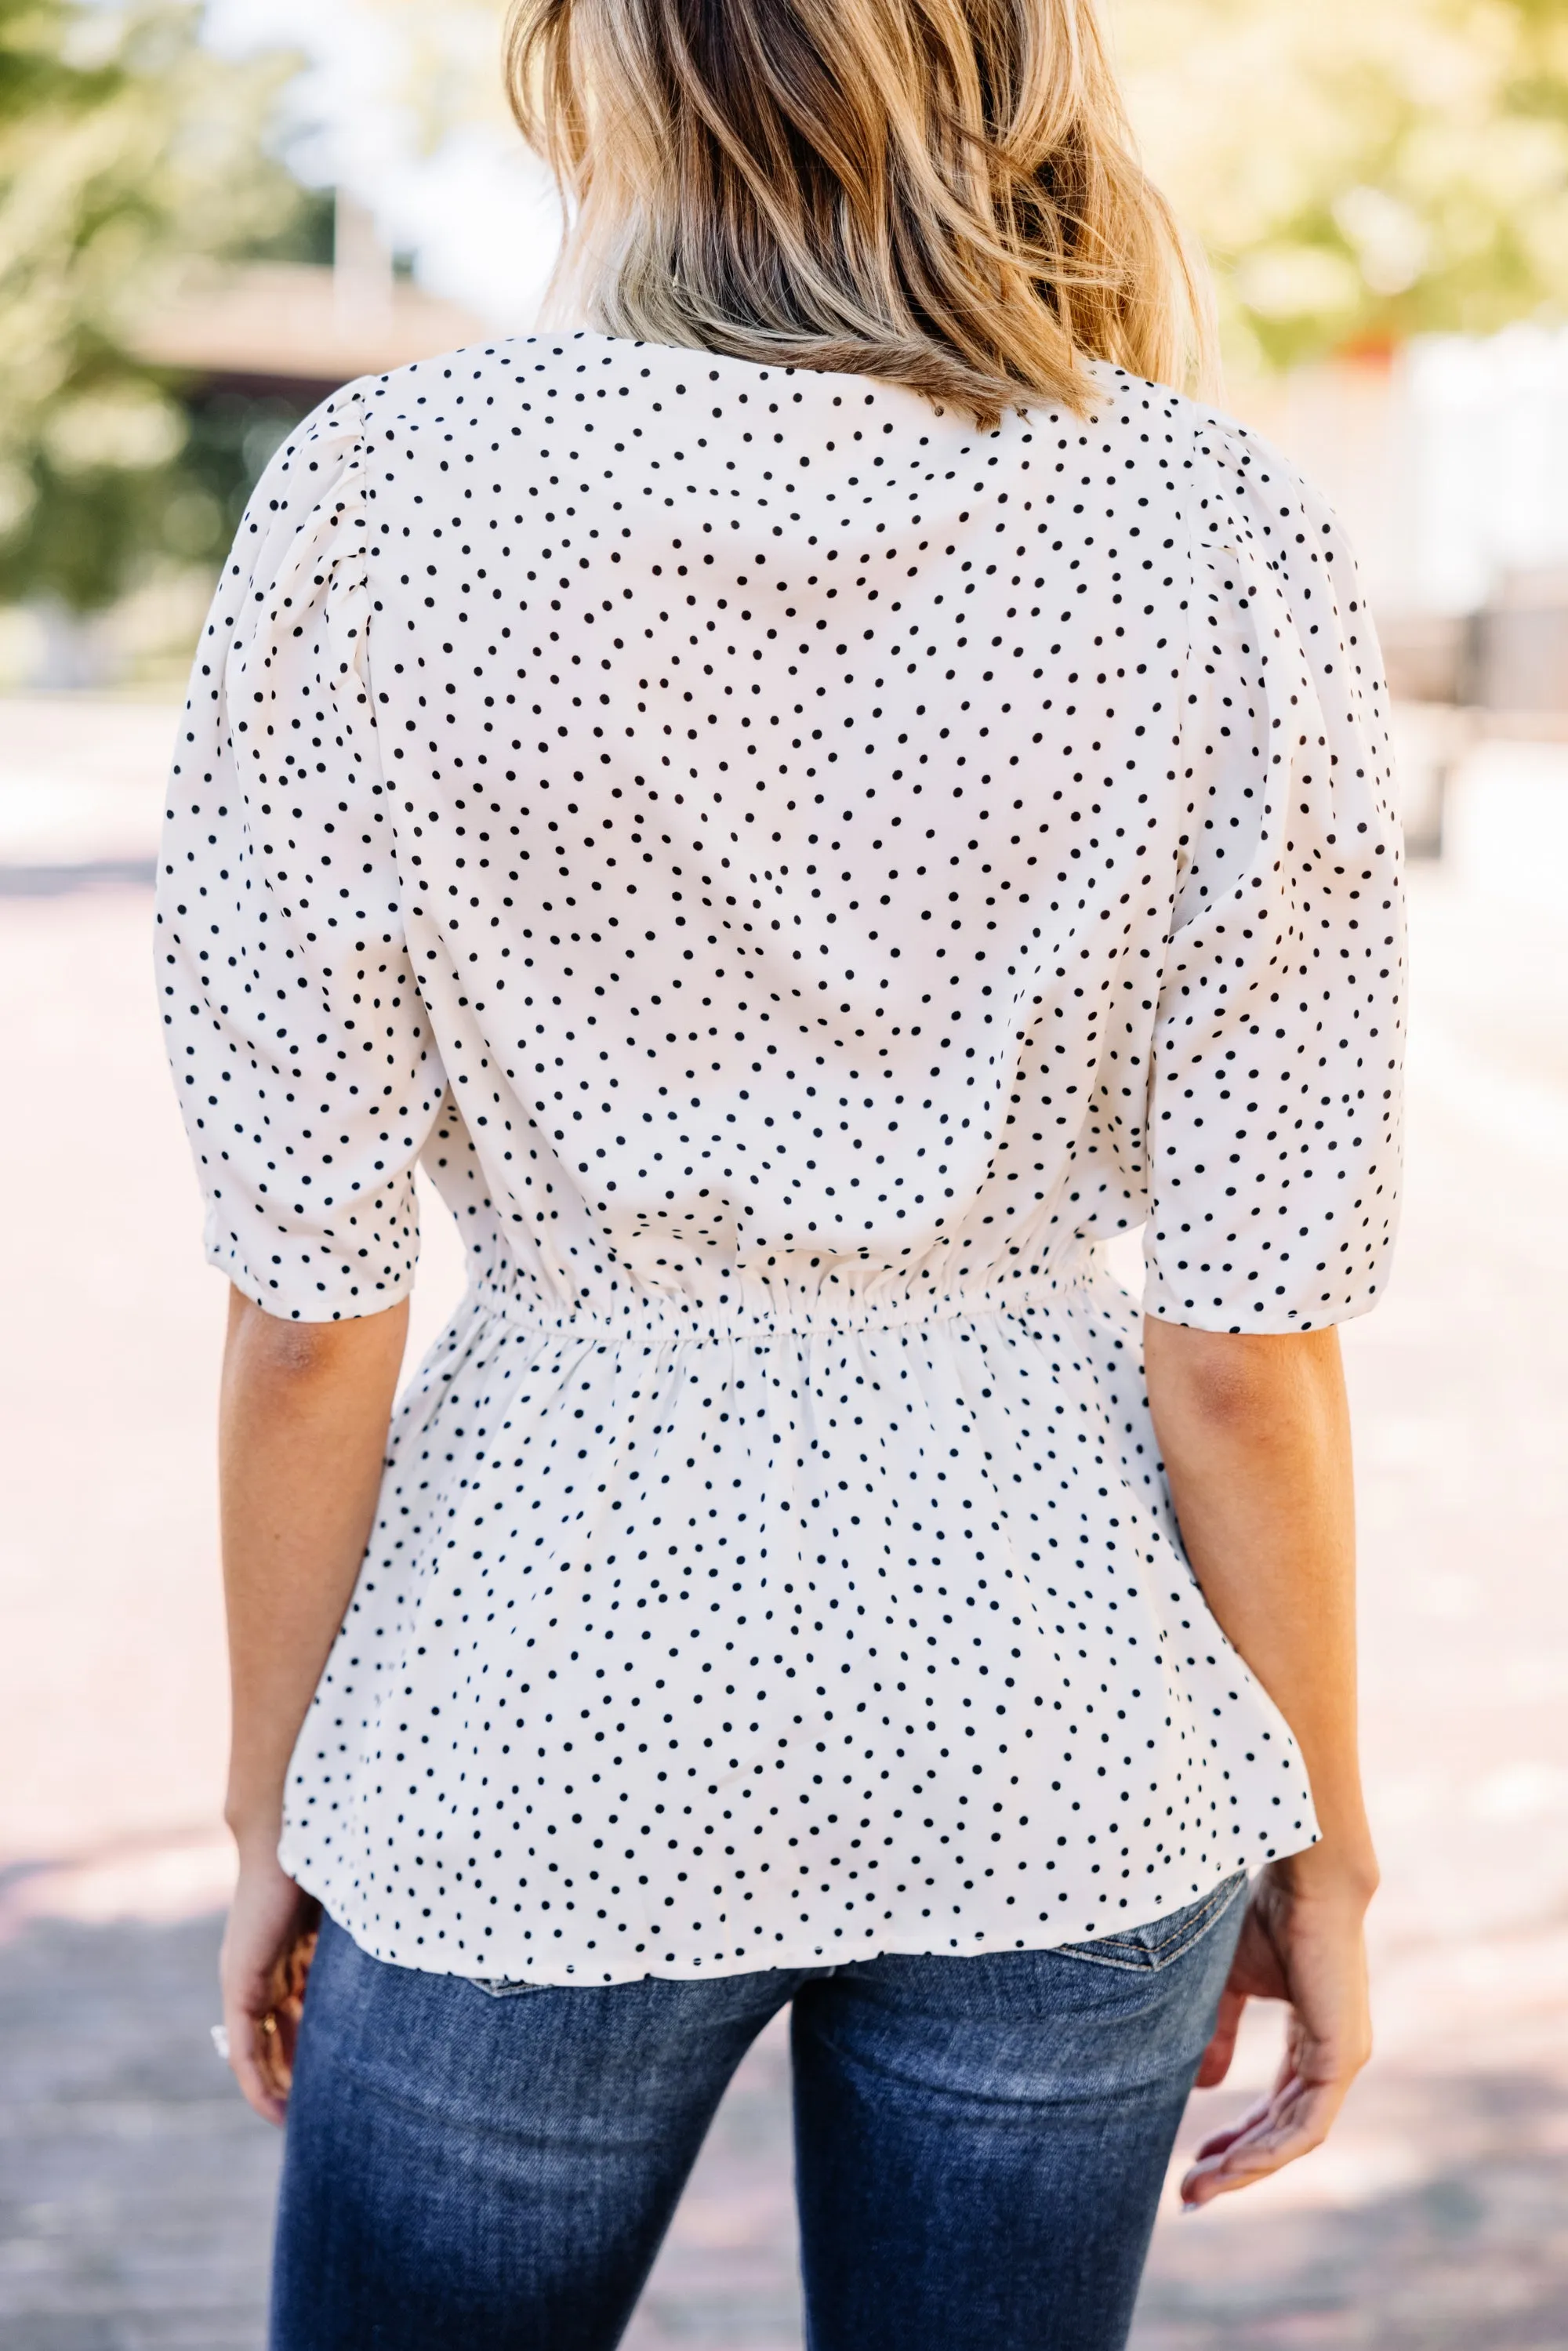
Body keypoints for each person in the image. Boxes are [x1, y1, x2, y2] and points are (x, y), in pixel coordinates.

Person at [155, 1, 1403, 2342]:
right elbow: (1247, 1342)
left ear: (617, 77)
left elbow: (314, 1304)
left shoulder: (386, 497)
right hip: (1059, 1725)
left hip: (527, 1706)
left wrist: (270, 1814)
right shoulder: (1214, 530)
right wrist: (1324, 1843)